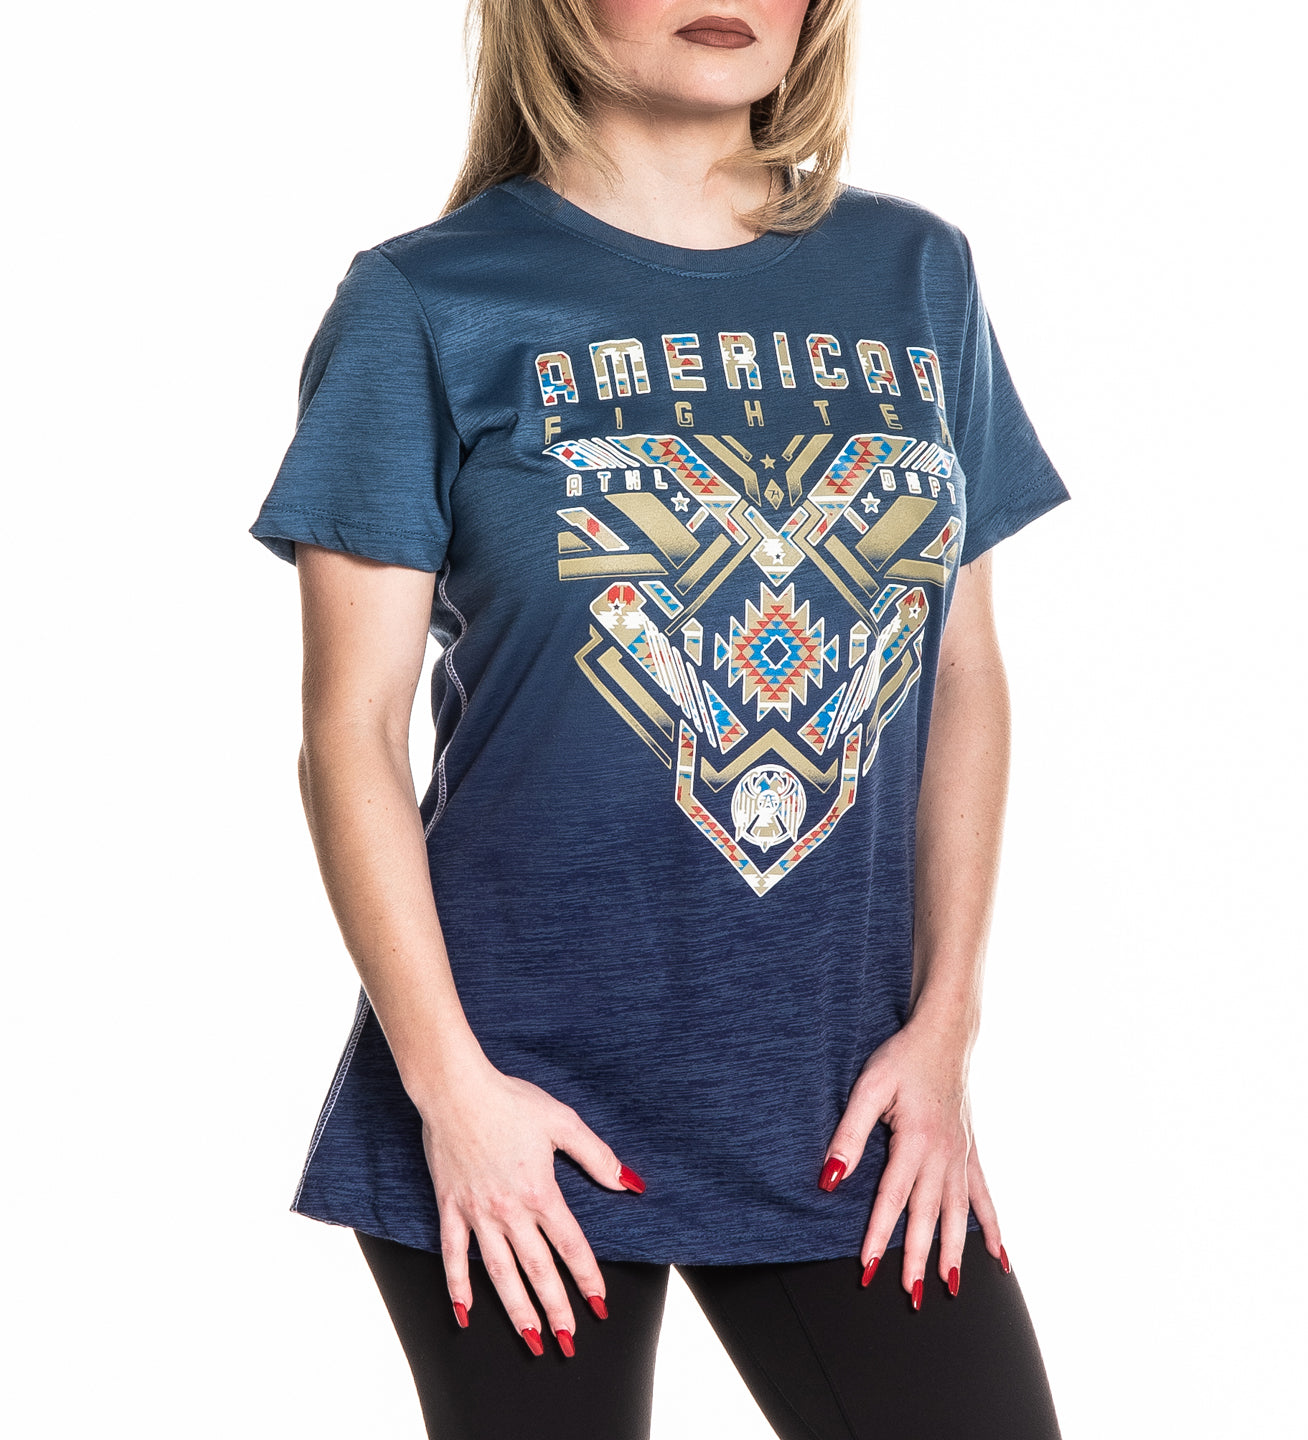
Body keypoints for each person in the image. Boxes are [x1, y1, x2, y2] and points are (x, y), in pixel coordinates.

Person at [249, 1, 1071, 1435]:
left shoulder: (917, 274)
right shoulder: (425, 302)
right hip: (514, 1087)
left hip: (843, 1097)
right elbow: (349, 736)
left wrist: (947, 1029)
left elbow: (962, 671)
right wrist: (453, 1093)